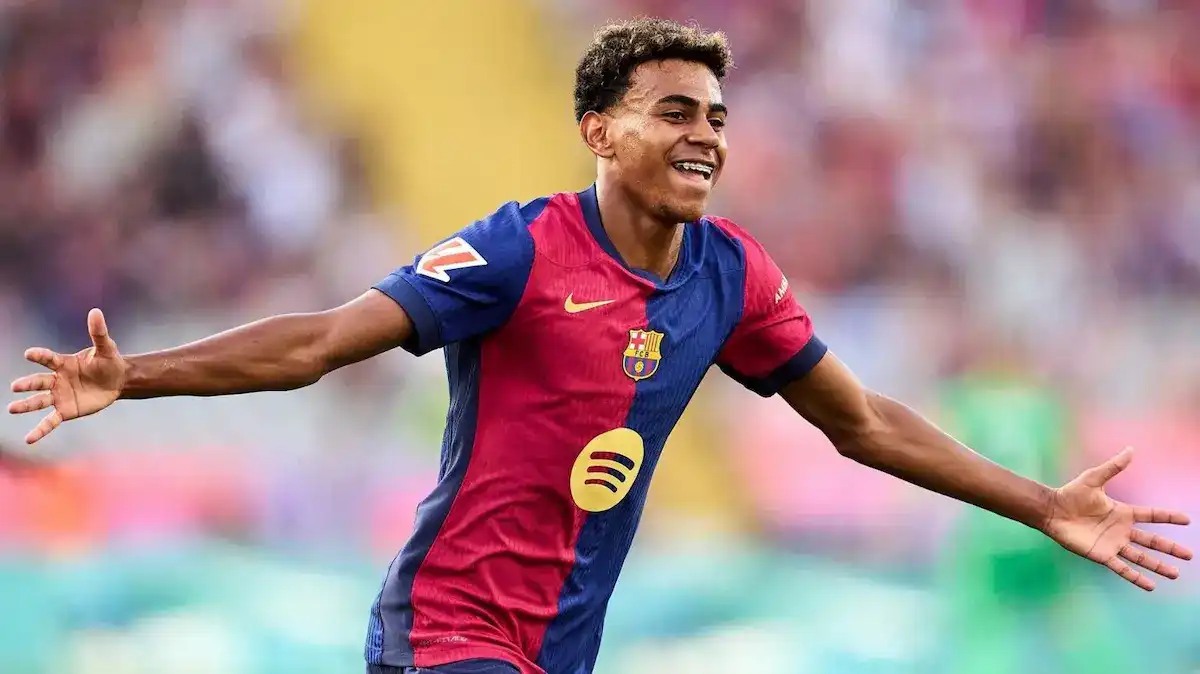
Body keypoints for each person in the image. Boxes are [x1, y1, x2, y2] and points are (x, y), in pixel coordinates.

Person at [6, 18, 1193, 674]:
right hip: (445, 633)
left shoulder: (733, 276)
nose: (704, 136)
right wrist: (137, 375)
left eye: (715, 117)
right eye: (674, 112)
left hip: (559, 652)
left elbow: (864, 421)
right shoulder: (518, 249)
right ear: (600, 131)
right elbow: (319, 341)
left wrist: (1041, 501)